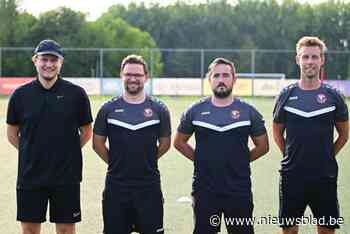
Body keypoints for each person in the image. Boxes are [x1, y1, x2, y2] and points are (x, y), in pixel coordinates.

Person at [6, 39, 93, 234]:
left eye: (54, 60)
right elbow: (12, 134)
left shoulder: (76, 94)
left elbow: (86, 131)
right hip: (30, 175)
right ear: (35, 60)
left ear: (61, 63)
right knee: (29, 230)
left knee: (65, 230)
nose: (48, 64)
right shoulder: (20, 95)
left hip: (66, 176)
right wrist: (32, 150)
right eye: (44, 59)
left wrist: (66, 151)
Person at [173, 57, 269, 234]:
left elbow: (263, 146)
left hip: (239, 189)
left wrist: (240, 161)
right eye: (216, 75)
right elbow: (179, 142)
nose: (221, 79)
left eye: (226, 75)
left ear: (234, 79)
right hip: (205, 189)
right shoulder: (195, 111)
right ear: (209, 79)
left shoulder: (248, 112)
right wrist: (201, 160)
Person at [273, 36, 349, 234]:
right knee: (289, 230)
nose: (310, 61)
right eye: (305, 57)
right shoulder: (286, 95)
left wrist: (327, 156)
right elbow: (277, 132)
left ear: (322, 60)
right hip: (292, 175)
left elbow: (343, 134)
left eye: (314, 57)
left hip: (324, 176)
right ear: (297, 59)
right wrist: (291, 155)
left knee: (326, 230)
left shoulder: (334, 96)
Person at [92, 54, 171, 234]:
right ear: (121, 76)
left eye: (138, 74)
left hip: (149, 186)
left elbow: (165, 143)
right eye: (128, 74)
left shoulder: (159, 109)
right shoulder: (107, 109)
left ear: (146, 77)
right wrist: (116, 163)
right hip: (116, 186)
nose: (133, 78)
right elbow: (97, 144)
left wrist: (147, 160)